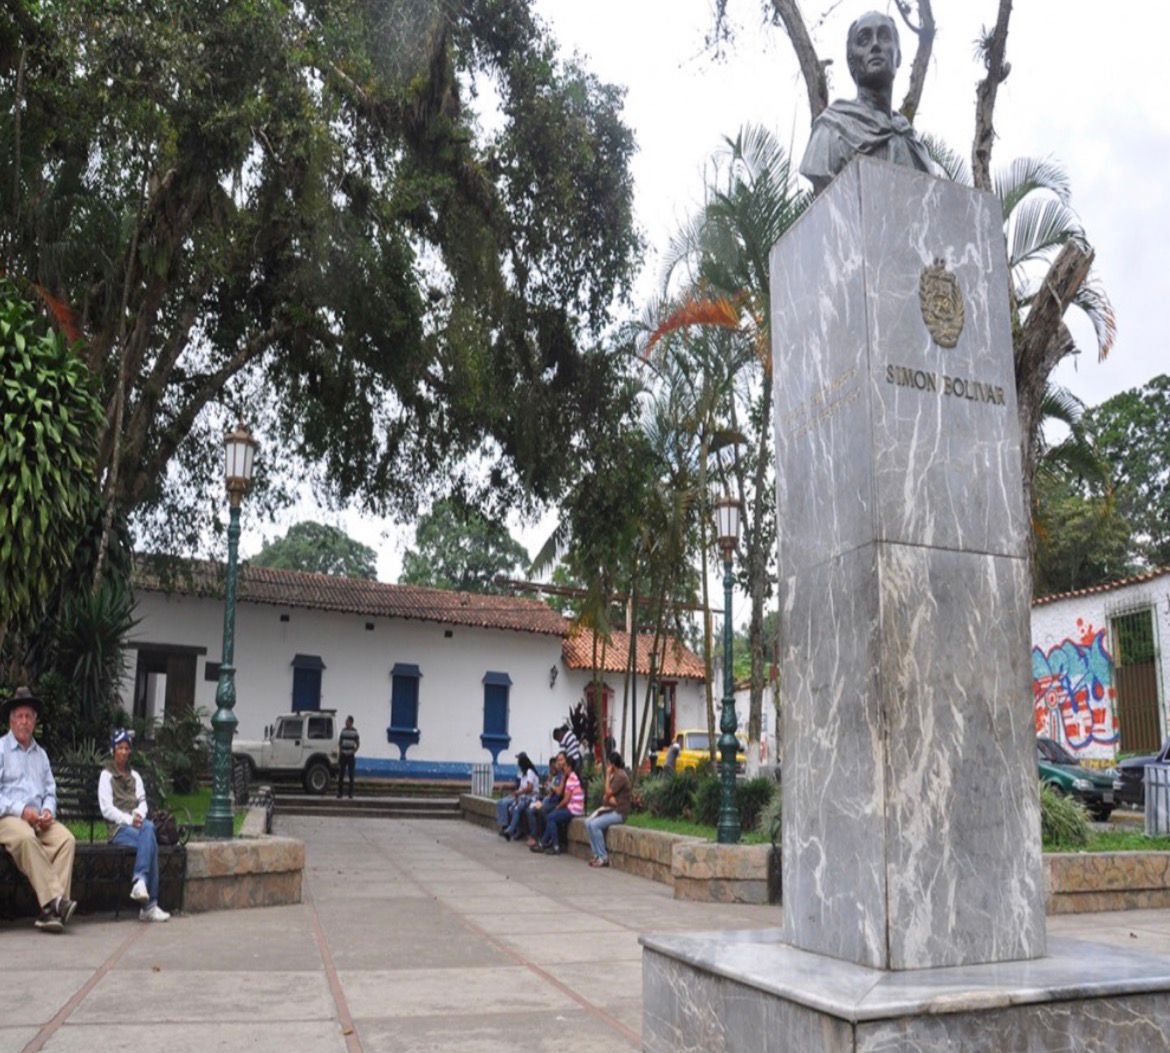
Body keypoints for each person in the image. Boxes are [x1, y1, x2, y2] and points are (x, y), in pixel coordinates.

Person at [798, 11, 938, 196]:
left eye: (884, 36)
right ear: (851, 62)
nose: (875, 45)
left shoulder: (915, 148)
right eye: (864, 39)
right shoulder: (830, 132)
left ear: (899, 57)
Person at [0, 686, 77, 933]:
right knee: (25, 837)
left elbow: (49, 791)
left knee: (66, 839)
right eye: (20, 716)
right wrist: (22, 810)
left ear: (34, 722)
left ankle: (50, 913)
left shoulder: (40, 755)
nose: (24, 722)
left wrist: (47, 811)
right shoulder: (0, 749)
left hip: (38, 820)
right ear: (11, 721)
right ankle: (56, 900)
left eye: (29, 717)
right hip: (8, 818)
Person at [98, 729, 170, 922]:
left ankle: (140, 882)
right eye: (120, 748)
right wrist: (130, 819)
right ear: (113, 750)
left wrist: (138, 815)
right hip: (118, 830)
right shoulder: (106, 776)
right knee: (150, 837)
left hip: (138, 827)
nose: (123, 752)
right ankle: (148, 905)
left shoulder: (135, 776)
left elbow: (143, 802)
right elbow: (106, 809)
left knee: (147, 829)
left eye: (126, 748)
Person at [585, 752, 632, 868]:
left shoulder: (620, 776)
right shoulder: (615, 776)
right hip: (611, 809)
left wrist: (607, 776)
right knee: (588, 822)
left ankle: (603, 857)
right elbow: (606, 798)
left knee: (595, 825)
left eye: (608, 764)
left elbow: (607, 792)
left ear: (612, 764)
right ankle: (596, 855)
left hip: (619, 813)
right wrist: (609, 798)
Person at [531, 754, 584, 855]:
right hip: (574, 808)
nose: (563, 768)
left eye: (565, 766)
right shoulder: (573, 777)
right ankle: (542, 843)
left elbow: (566, 799)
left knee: (551, 817)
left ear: (569, 767)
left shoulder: (571, 779)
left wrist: (557, 808)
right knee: (551, 817)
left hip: (573, 809)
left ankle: (555, 846)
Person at [525, 753, 567, 848]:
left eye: (561, 760)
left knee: (542, 812)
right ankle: (539, 837)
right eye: (558, 761)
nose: (559, 763)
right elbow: (551, 792)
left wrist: (552, 787)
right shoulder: (557, 775)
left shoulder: (563, 775)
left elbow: (559, 792)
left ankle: (544, 839)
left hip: (557, 803)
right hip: (551, 800)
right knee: (532, 810)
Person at [499, 752, 539, 841]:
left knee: (518, 808)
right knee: (513, 808)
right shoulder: (524, 774)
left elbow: (530, 788)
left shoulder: (530, 772)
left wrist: (519, 793)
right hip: (524, 797)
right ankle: (518, 830)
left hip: (531, 798)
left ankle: (510, 830)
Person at [337, 716, 359, 799]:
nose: (346, 722)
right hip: (343, 755)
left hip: (350, 756)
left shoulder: (355, 732)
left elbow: (357, 743)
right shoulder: (343, 731)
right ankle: (340, 793)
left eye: (347, 721)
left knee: (351, 775)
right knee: (341, 775)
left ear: (351, 722)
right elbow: (340, 742)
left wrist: (354, 751)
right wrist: (340, 751)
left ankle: (350, 794)